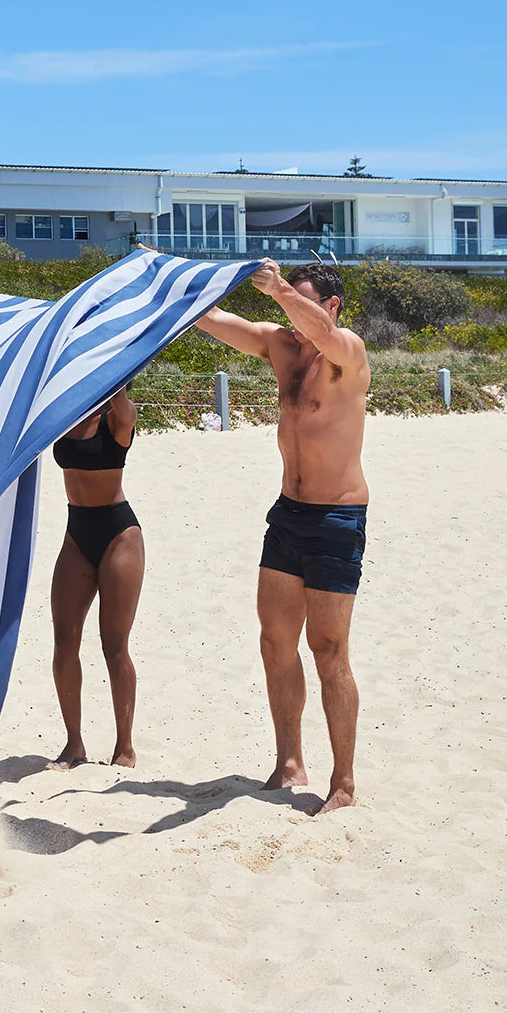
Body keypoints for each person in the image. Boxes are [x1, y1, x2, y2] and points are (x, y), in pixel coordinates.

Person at [195, 261, 370, 814]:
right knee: (275, 642)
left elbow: (320, 332)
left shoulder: (347, 352)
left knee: (329, 650)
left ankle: (343, 783)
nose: (291, 315)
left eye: (303, 301)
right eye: (288, 300)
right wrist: (169, 281)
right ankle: (290, 762)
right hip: (288, 515)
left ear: (331, 306)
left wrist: (279, 293)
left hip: (337, 518)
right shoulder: (281, 346)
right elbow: (213, 319)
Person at [48, 386, 143, 770]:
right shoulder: (65, 413)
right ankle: (74, 744)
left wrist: (112, 378)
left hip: (119, 535)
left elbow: (126, 407)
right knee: (64, 641)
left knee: (114, 645)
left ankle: (125, 748)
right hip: (76, 533)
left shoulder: (118, 417)